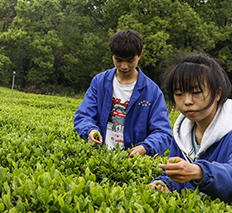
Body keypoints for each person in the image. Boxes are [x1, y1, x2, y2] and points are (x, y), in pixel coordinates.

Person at [151, 52, 232, 207]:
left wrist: (200, 172)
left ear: (217, 93)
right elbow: (180, 180)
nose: (187, 101)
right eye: (179, 93)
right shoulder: (182, 135)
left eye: (196, 93)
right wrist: (165, 184)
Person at [73, 29, 172, 157]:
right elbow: (83, 116)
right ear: (112, 55)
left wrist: (145, 147)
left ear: (140, 55)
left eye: (130, 60)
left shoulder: (152, 91)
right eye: (118, 60)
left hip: (132, 164)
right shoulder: (100, 82)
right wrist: (90, 130)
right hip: (100, 158)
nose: (124, 66)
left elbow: (163, 133)